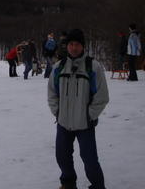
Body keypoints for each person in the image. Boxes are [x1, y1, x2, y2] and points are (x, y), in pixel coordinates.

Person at [48, 28, 109, 189]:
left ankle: (98, 186)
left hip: (85, 124)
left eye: (77, 44)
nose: (74, 47)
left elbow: (102, 96)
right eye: (71, 44)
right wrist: (57, 111)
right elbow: (52, 93)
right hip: (63, 123)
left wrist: (89, 115)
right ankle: (68, 184)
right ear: (67, 46)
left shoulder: (93, 67)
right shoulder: (59, 67)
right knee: (62, 157)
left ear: (83, 46)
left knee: (90, 160)